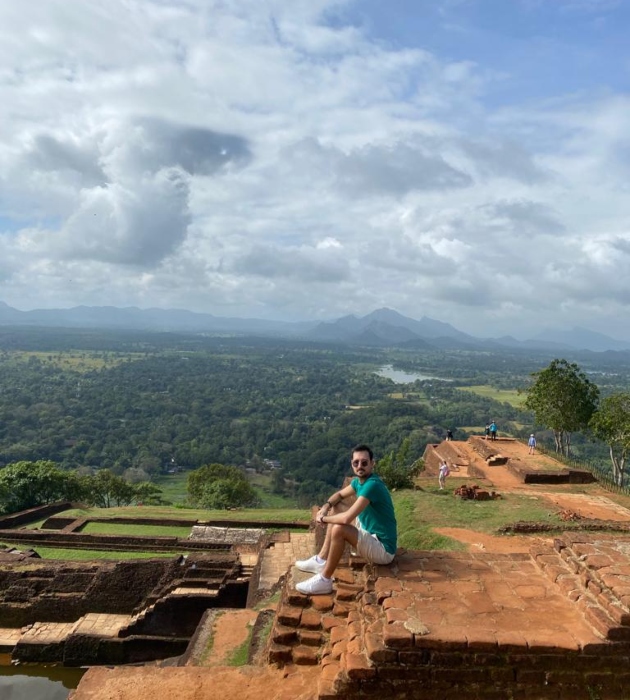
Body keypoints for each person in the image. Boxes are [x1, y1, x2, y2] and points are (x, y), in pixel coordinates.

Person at [294, 444, 398, 596]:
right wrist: (326, 506)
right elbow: (339, 496)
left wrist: (324, 518)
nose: (360, 466)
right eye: (356, 463)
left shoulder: (372, 485)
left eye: (364, 462)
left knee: (339, 528)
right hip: (370, 533)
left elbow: (347, 517)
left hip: (383, 549)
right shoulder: (358, 482)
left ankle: (325, 580)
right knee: (336, 509)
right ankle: (321, 561)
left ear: (372, 463)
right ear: (352, 464)